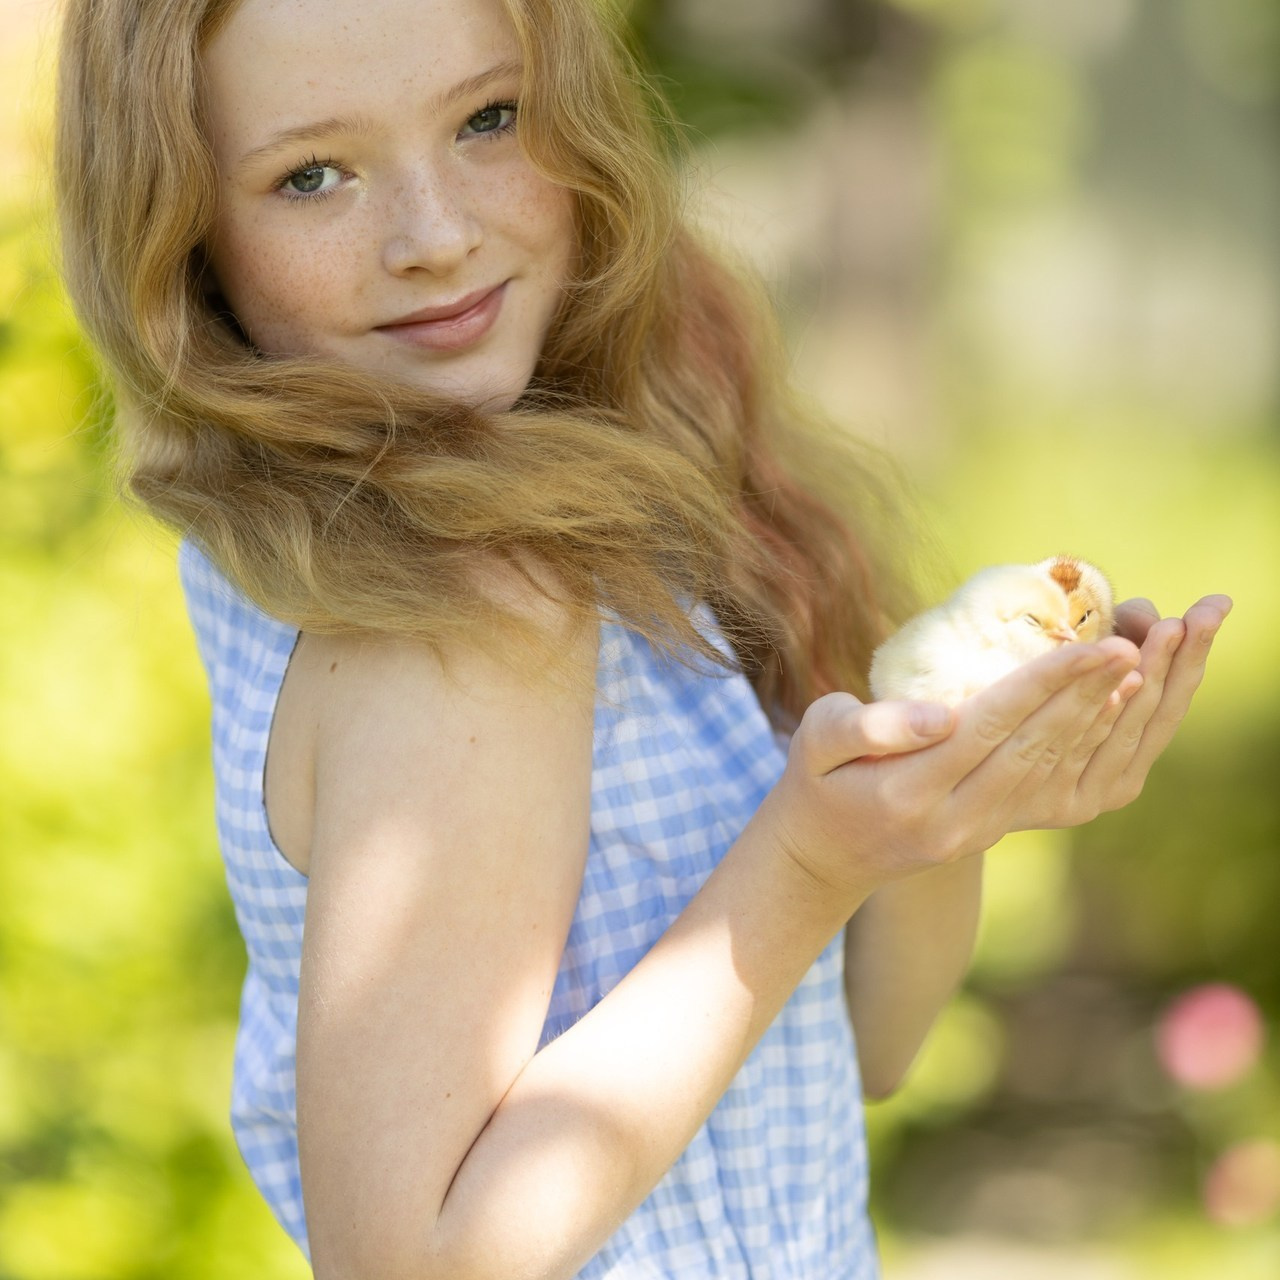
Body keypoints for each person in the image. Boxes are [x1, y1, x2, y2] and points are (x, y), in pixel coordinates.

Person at [53, 0, 1230, 1275]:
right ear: (185, 237)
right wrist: (803, 864)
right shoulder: (452, 620)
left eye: (487, 117)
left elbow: (856, 1046)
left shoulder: (585, 471)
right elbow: (411, 1259)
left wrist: (944, 804)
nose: (435, 237)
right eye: (311, 175)